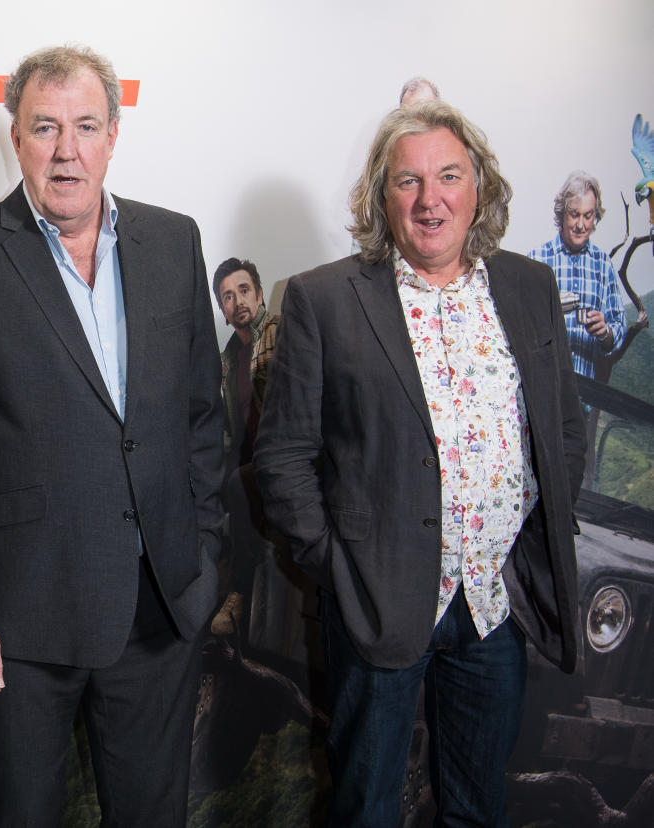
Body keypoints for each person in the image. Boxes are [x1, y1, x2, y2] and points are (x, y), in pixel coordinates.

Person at [0, 45, 224, 827]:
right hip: (19, 628)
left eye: (85, 126)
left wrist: (202, 559)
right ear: (15, 138)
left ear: (114, 135)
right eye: (45, 127)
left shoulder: (175, 242)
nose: (66, 150)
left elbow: (203, 421)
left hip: (158, 612)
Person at [254, 100, 584, 826]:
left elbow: (562, 428)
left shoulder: (527, 289)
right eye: (407, 182)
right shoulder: (323, 300)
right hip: (377, 607)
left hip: (495, 607)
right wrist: (341, 567)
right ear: (382, 196)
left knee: (477, 807)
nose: (429, 200)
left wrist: (529, 533)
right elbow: (281, 459)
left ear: (479, 189)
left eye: (448, 177)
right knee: (367, 808)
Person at [211, 257, 279, 635]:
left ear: (258, 292)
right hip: (243, 453)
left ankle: (239, 592)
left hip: (277, 457)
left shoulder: (278, 332)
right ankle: (207, 583)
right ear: (222, 310)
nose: (237, 301)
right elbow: (225, 429)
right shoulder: (225, 360)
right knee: (198, 479)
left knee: (238, 483)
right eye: (226, 297)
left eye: (243, 290)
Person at [527, 170, 627, 378]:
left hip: (587, 396)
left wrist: (605, 332)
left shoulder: (603, 264)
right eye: (574, 215)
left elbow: (619, 330)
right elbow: (521, 326)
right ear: (562, 213)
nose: (581, 225)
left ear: (595, 216)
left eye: (588, 216)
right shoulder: (536, 260)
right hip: (544, 388)